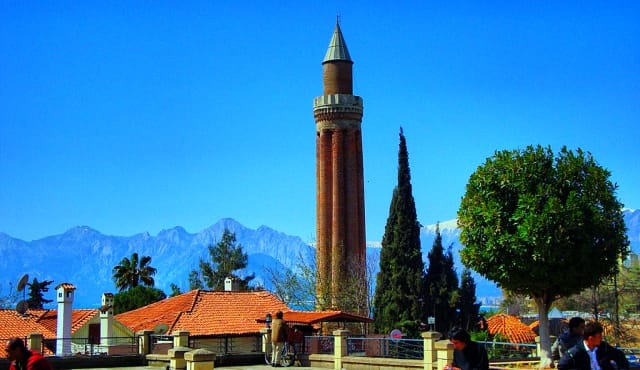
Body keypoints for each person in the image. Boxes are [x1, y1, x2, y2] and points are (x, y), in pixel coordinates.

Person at [557, 320, 628, 370]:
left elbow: (619, 355)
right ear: (591, 338)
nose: (601, 339)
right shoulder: (575, 353)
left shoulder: (604, 347)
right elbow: (561, 366)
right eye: (599, 337)